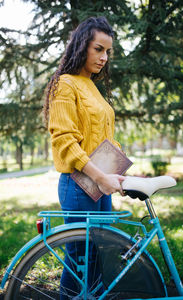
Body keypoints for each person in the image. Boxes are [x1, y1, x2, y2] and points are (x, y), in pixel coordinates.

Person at [43, 16, 125, 299]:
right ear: (81, 46)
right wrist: (101, 176)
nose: (104, 57)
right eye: (98, 49)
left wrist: (117, 172)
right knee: (80, 258)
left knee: (98, 257)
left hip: (100, 184)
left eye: (107, 52)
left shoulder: (92, 86)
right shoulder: (65, 84)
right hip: (79, 185)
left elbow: (104, 140)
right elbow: (64, 141)